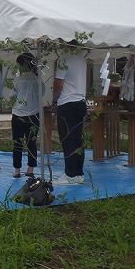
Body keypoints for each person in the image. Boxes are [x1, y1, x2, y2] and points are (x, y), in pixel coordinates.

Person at [53, 43, 87, 183]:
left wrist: (54, 100)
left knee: (68, 139)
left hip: (67, 103)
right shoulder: (82, 59)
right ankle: (79, 173)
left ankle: (70, 175)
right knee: (78, 139)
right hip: (80, 102)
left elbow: (58, 84)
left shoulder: (64, 59)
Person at [12, 53, 42, 179]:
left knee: (17, 143)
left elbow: (11, 96)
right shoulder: (37, 79)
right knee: (32, 143)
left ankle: (17, 170)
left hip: (18, 115)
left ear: (23, 65)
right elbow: (43, 93)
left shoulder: (17, 79)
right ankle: (30, 169)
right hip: (34, 114)